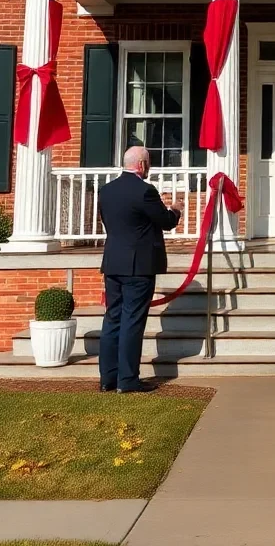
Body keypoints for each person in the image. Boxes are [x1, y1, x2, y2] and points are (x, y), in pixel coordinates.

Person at [97, 145, 182, 392]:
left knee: (112, 319)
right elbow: (165, 222)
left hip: (113, 262)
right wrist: (175, 210)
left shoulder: (106, 190)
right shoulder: (145, 191)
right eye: (149, 164)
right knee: (132, 322)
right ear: (142, 165)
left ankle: (108, 378)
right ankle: (128, 380)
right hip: (139, 266)